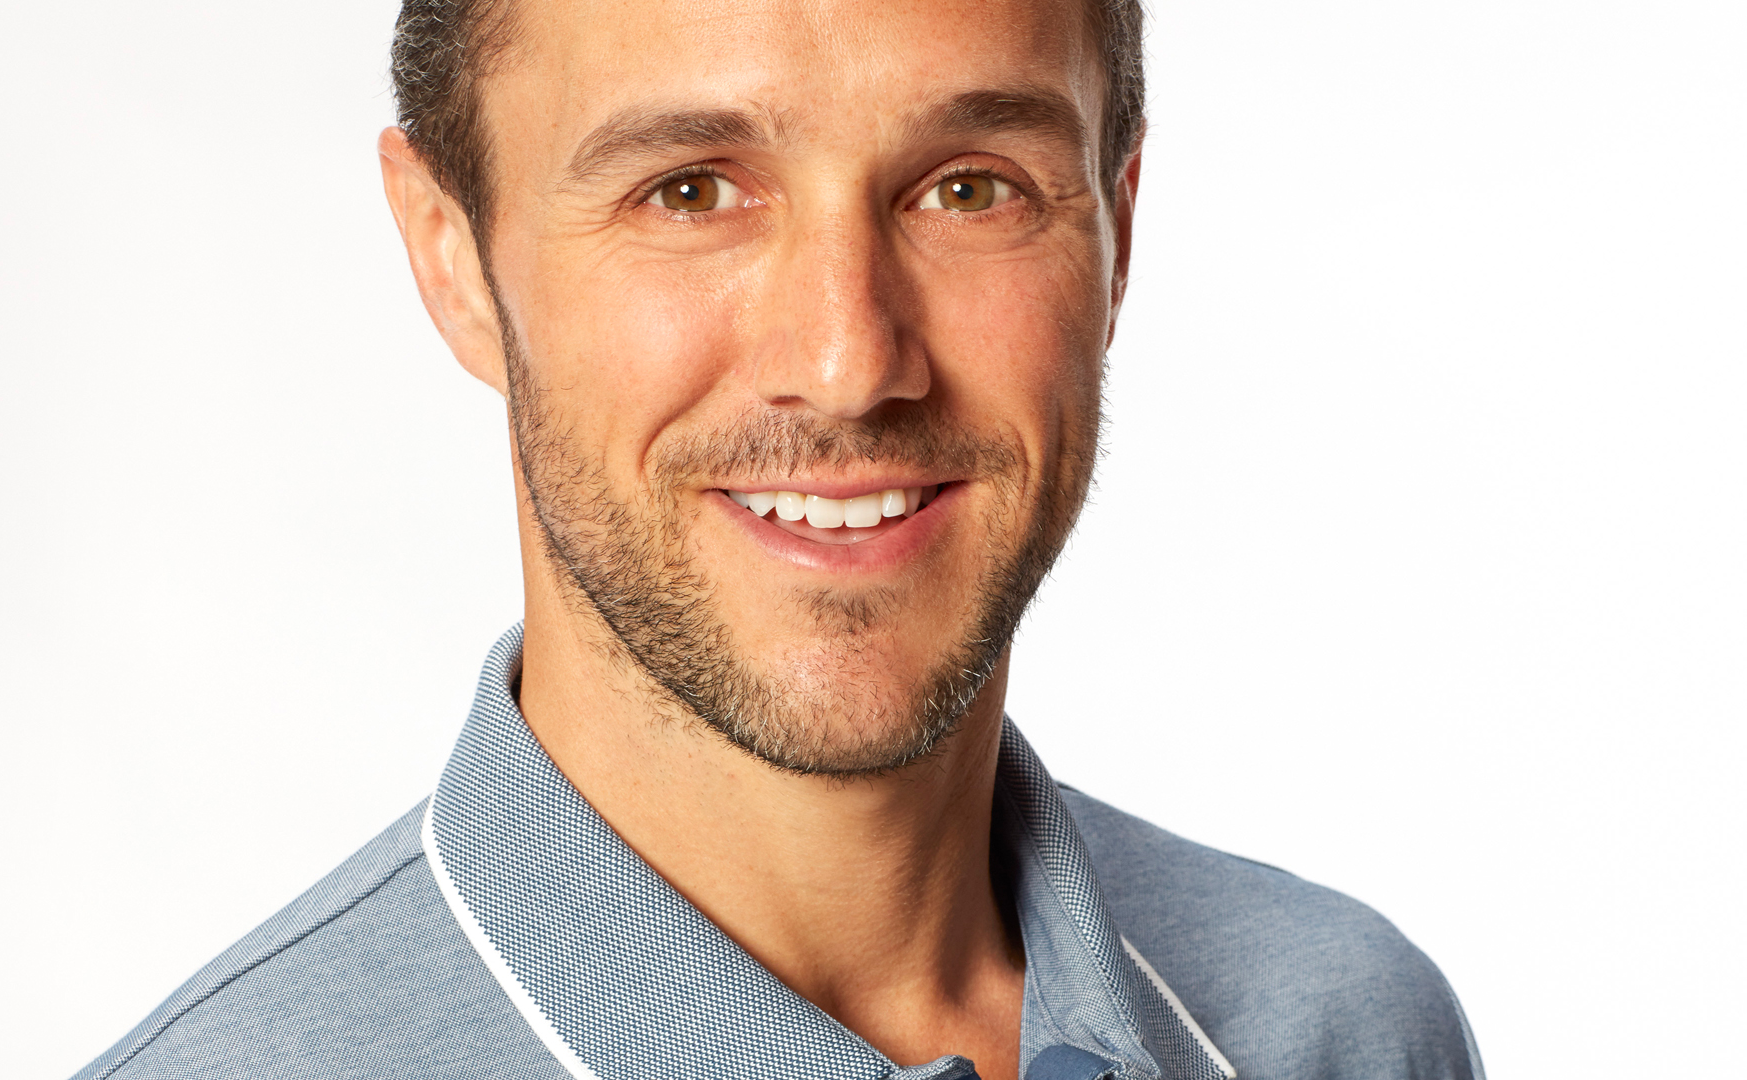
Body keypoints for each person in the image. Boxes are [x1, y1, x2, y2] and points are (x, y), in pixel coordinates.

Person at [74, 0, 1484, 1077]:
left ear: (1116, 229)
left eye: (970, 187)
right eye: (690, 190)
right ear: (453, 258)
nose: (849, 360)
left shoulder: (1341, 1032)